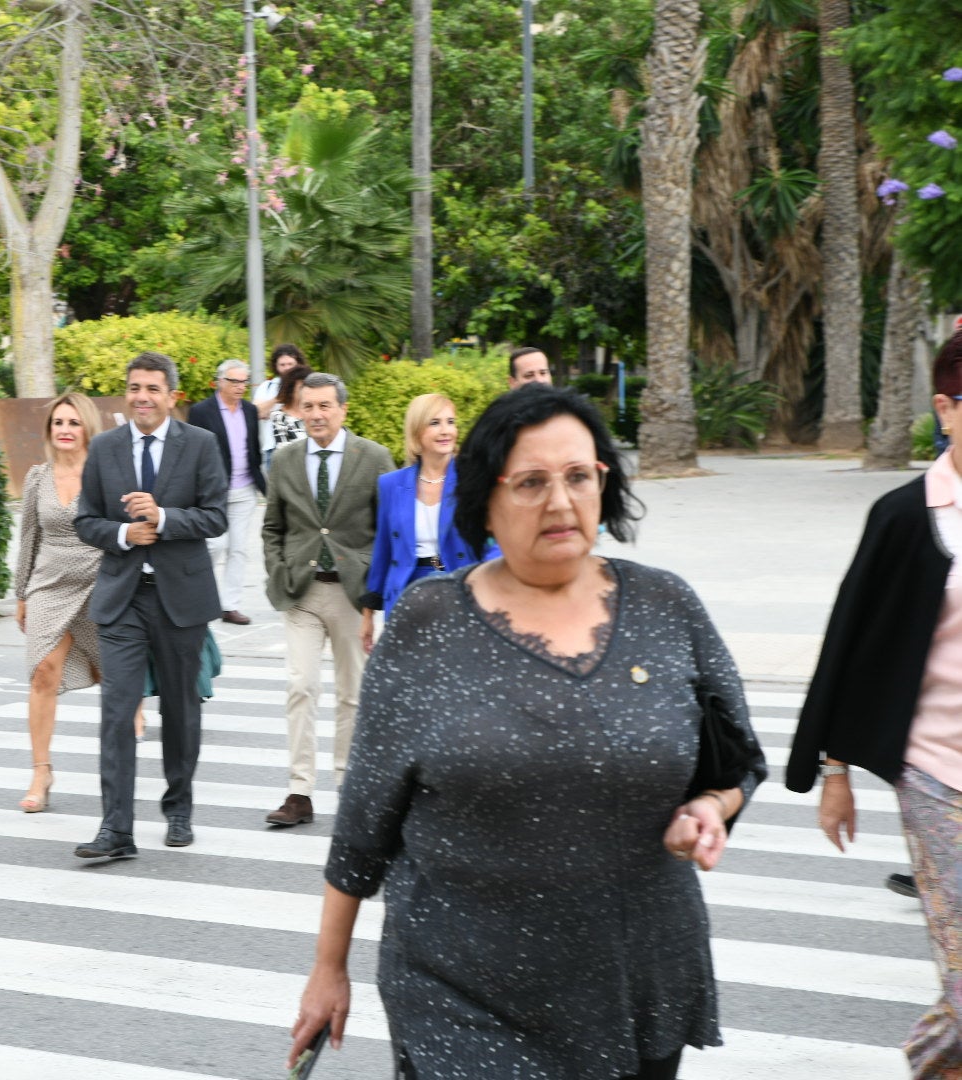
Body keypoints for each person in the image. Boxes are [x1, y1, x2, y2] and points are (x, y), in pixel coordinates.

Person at [290, 385, 766, 1080]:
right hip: (465, 995)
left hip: (634, 982)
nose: (560, 502)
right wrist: (327, 969)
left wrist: (710, 807)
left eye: (579, 476)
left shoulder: (667, 606)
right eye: (532, 483)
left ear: (605, 480)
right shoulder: (428, 623)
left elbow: (737, 762)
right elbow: (366, 821)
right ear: (487, 498)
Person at [788, 328, 962, 1077]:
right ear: (945, 409)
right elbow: (851, 646)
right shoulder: (906, 515)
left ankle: (934, 1060)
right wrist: (834, 773)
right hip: (935, 771)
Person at [72, 351, 227, 859]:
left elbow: (215, 516)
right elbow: (85, 521)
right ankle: (116, 828)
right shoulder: (106, 448)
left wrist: (162, 519)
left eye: (153, 389)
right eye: (135, 387)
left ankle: (178, 807)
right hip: (123, 598)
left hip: (181, 597)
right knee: (117, 711)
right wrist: (122, 532)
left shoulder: (200, 444)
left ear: (172, 396)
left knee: (181, 711)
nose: (142, 397)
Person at [260, 373, 393, 827]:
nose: (316, 414)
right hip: (301, 590)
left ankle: (348, 786)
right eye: (308, 406)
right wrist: (278, 569)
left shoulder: (373, 458)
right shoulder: (285, 459)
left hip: (353, 595)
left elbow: (386, 530)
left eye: (324, 406)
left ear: (342, 410)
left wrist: (373, 593)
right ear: (298, 410)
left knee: (352, 695)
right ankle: (299, 792)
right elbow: (272, 526)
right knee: (301, 686)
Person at [13, 392, 105, 812]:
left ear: (86, 427)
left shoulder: (106, 473)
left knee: (113, 672)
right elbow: (29, 536)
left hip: (98, 580)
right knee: (43, 673)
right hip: (49, 584)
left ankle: (131, 714)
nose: (65, 430)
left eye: (72, 422)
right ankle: (41, 771)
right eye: (58, 423)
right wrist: (20, 594)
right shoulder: (37, 477)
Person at [360, 394, 492, 653]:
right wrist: (368, 615)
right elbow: (383, 552)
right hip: (408, 591)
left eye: (450, 422)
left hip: (458, 585)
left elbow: (492, 543)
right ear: (417, 431)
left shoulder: (473, 480)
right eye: (435, 423)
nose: (446, 431)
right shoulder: (391, 484)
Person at [187, 359, 268, 626]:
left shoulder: (249, 410)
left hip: (245, 489)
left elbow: (253, 449)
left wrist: (263, 484)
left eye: (244, 381)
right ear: (220, 381)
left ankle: (230, 605)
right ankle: (200, 597)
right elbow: (193, 452)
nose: (240, 386)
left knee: (239, 549)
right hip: (214, 492)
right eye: (234, 381)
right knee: (216, 545)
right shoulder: (201, 411)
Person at [254, 343, 307, 471]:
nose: (287, 369)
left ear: (298, 364)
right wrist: (277, 398)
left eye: (290, 364)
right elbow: (256, 413)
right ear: (276, 367)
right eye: (282, 365)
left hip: (303, 445)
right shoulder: (267, 386)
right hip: (273, 449)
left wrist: (269, 411)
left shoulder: (307, 384)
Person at [268, 364, 312, 453]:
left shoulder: (314, 413)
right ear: (290, 390)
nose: (306, 391)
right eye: (301, 387)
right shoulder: (279, 416)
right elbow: (283, 451)